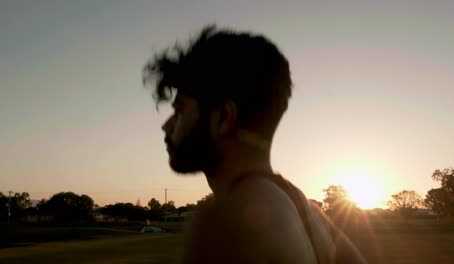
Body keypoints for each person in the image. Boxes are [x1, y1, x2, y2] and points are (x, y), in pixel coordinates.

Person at [143, 25, 367, 264]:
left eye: (179, 110)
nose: (166, 126)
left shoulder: (223, 222)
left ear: (223, 118)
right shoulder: (311, 213)